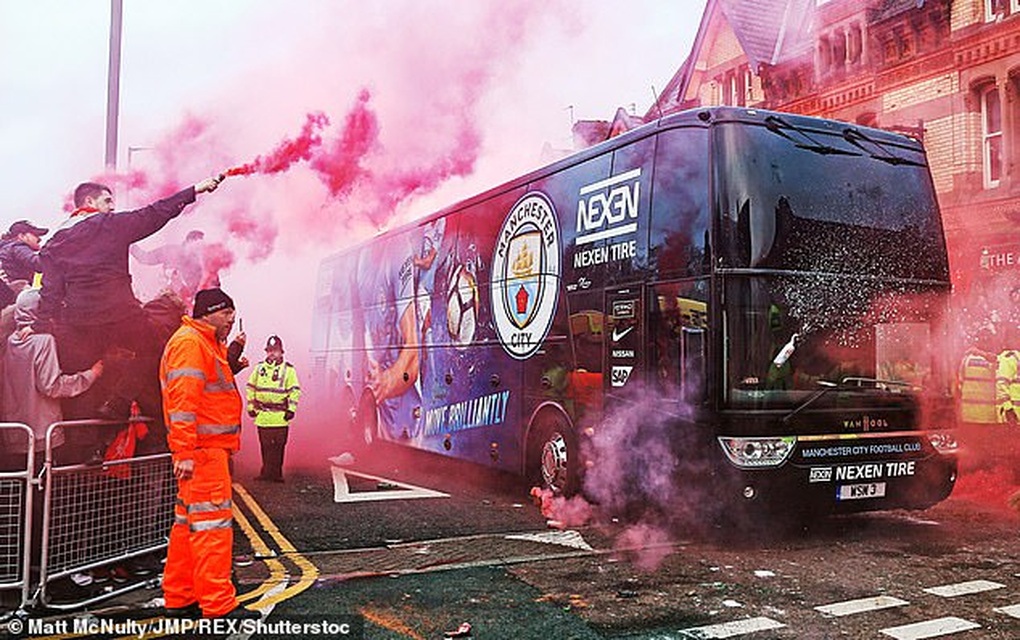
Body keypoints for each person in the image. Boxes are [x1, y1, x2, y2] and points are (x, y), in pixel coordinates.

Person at [38, 175, 224, 423]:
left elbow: (50, 290)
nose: (112, 206)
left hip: (79, 321)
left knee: (85, 374)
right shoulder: (109, 225)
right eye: (107, 200)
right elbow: (153, 213)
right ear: (89, 201)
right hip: (120, 314)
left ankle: (85, 445)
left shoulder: (54, 242)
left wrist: (38, 326)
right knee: (154, 348)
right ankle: (120, 402)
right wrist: (195, 189)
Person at [159, 287, 257, 619]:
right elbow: (183, 403)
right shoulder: (191, 343)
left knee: (188, 528)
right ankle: (219, 608)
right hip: (203, 453)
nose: (231, 319)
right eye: (226, 312)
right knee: (213, 531)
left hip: (201, 451)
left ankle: (181, 597)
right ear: (208, 313)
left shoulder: (201, 342)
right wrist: (184, 451)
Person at [1, 288, 103, 467]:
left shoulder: (10, 341)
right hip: (43, 433)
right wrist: (91, 375)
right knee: (42, 488)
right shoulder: (44, 341)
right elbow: (52, 386)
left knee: (20, 489)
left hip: (14, 432)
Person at [245, 335, 301, 482]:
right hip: (263, 416)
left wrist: (291, 409)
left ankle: (277, 473)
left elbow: (294, 390)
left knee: (279, 447)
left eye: (275, 350)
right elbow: (251, 387)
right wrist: (251, 407)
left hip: (280, 416)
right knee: (265, 446)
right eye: (269, 351)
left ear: (281, 352)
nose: (272, 353)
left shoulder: (288, 370)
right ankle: (265, 473)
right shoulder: (259, 368)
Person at [130, 229, 218, 305]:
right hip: (169, 300)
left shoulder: (205, 264)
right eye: (196, 243)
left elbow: (214, 288)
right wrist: (128, 243)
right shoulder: (171, 251)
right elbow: (145, 258)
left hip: (190, 305)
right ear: (188, 242)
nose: (197, 248)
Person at [0, 219, 47, 285]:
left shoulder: (5, 249)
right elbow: (38, 264)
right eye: (36, 235)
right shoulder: (17, 247)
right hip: (17, 290)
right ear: (21, 236)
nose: (39, 239)